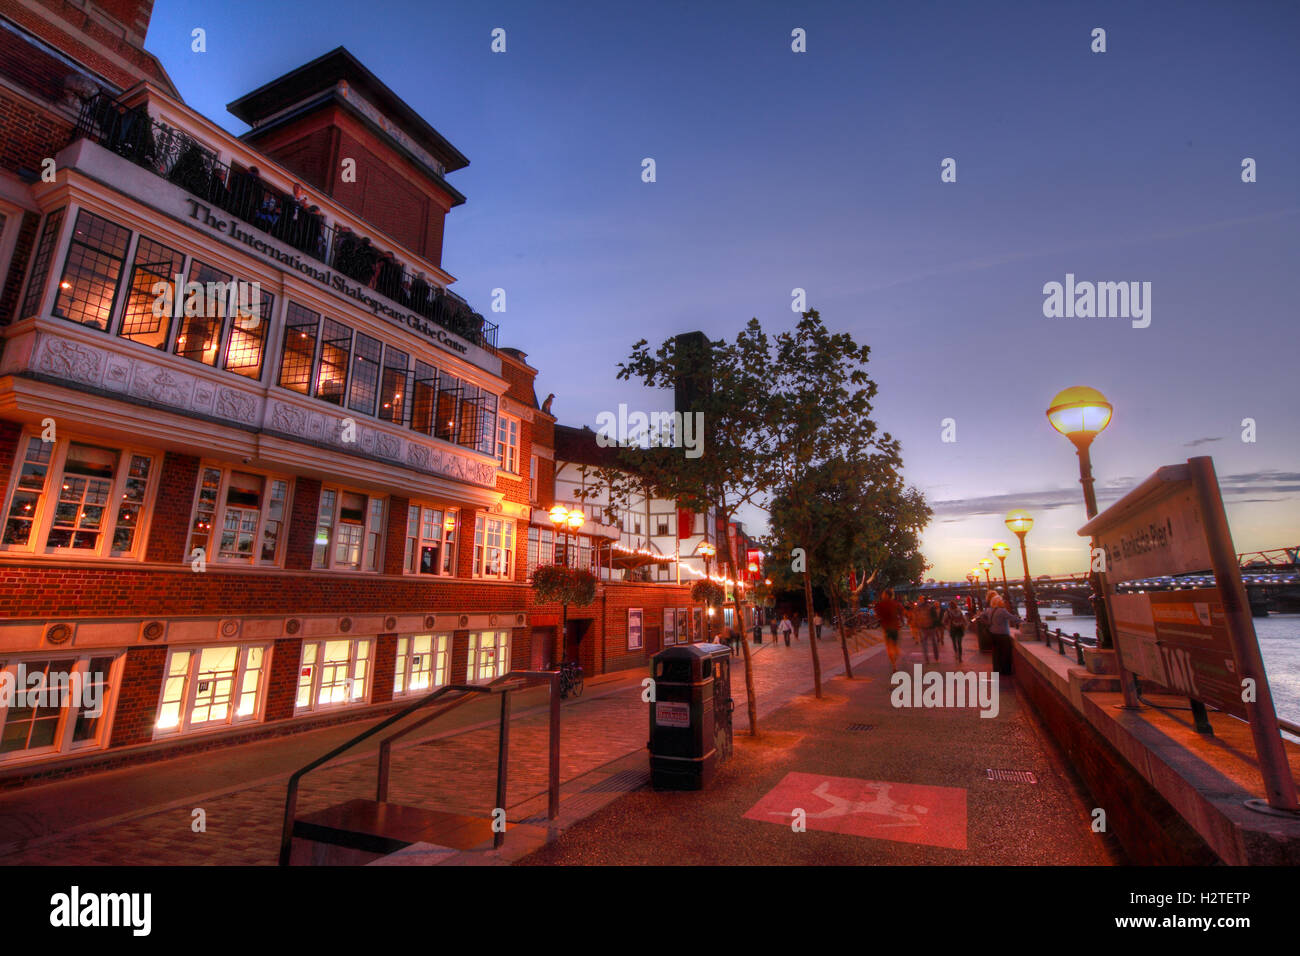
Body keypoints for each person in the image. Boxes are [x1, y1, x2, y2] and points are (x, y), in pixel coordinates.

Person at [982, 591, 1021, 675]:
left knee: (996, 653)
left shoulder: (989, 610)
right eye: (1001, 601)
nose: (1003, 602)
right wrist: (1023, 621)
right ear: (999, 602)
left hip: (992, 634)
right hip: (1002, 635)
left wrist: (987, 622)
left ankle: (996, 669)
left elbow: (981, 615)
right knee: (1005, 653)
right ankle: (1005, 671)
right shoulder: (1002, 611)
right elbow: (1013, 618)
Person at [874, 588, 904, 672]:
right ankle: (897, 655)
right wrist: (901, 621)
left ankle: (894, 665)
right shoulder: (896, 604)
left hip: (886, 628)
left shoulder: (880, 604)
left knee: (889, 647)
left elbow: (877, 615)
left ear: (886, 595)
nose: (882, 595)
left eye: (883, 594)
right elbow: (901, 613)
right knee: (895, 646)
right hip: (895, 627)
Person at [921, 598, 943, 663]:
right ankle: (936, 658)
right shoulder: (931, 608)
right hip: (931, 628)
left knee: (924, 643)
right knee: (934, 643)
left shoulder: (920, 608)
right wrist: (935, 626)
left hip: (923, 628)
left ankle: (926, 658)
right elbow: (935, 618)